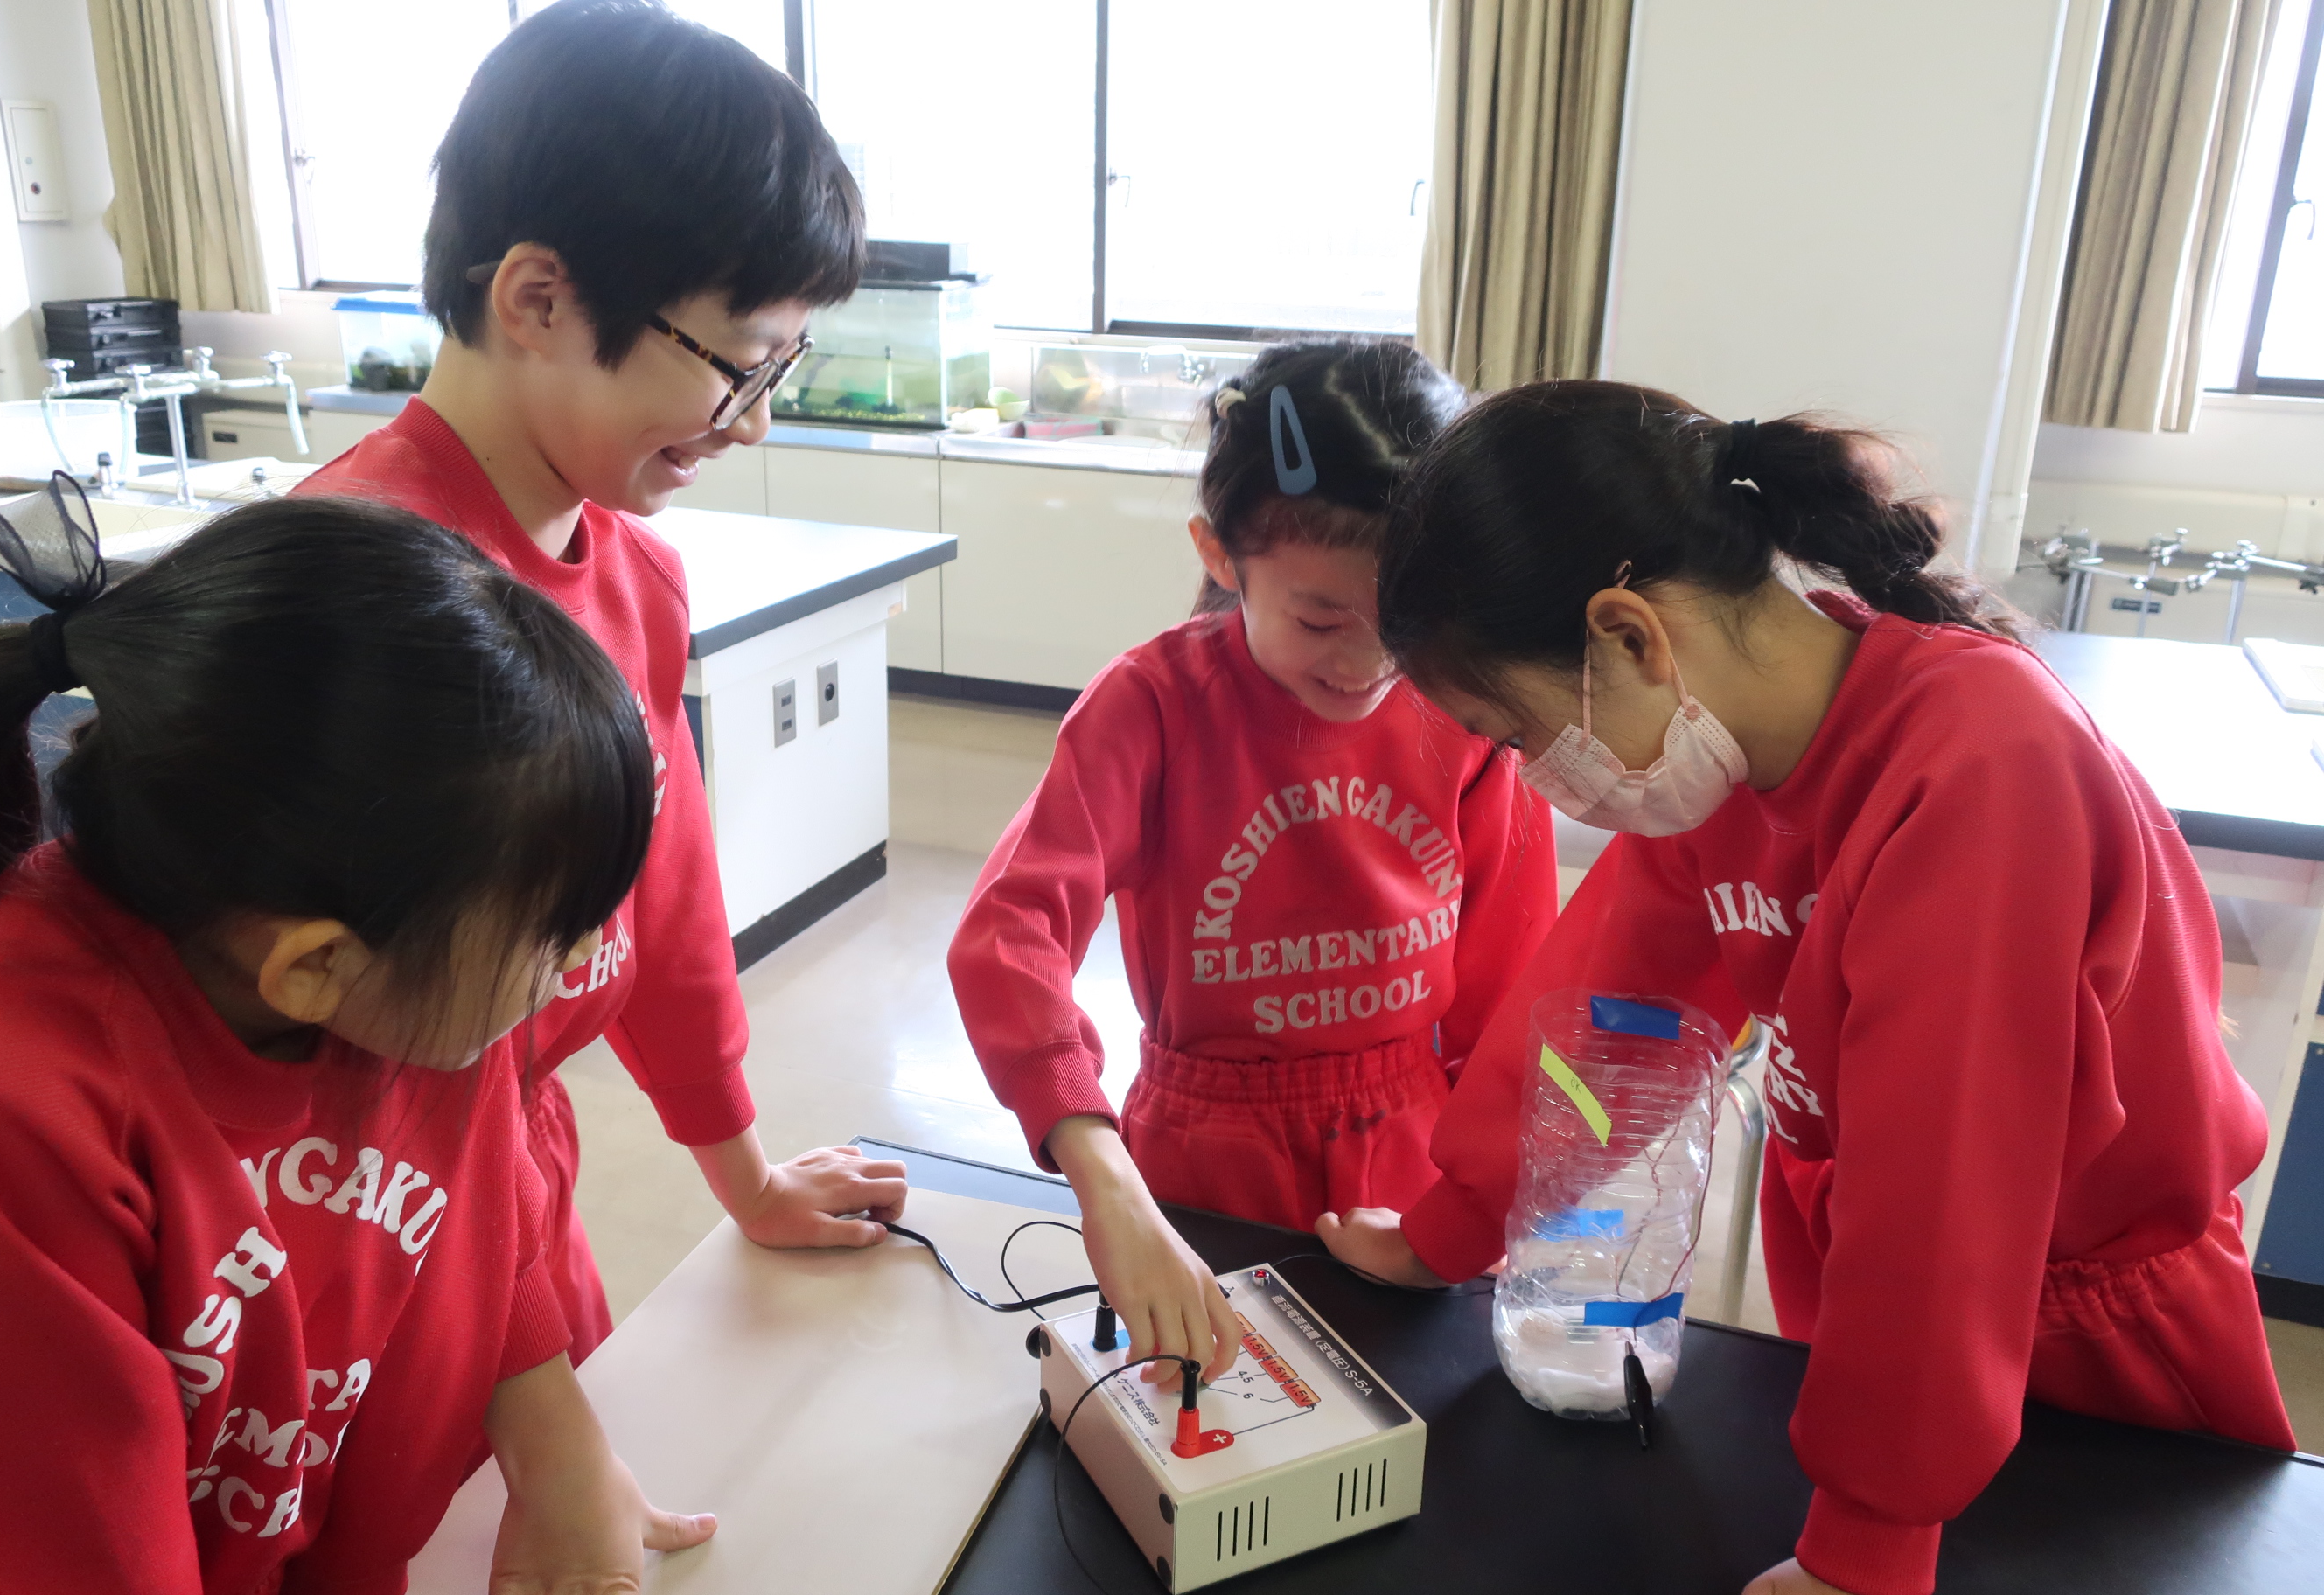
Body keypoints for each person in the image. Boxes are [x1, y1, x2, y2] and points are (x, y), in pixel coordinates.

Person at [1319, 380, 2297, 1595]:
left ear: (1629, 637)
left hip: (2083, 1354)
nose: (1530, 776)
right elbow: (1594, 1023)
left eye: (1517, 734)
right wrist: (1452, 1230)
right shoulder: (1724, 760)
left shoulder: (1983, 767)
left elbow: (1945, 1190)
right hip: (1894, 1337)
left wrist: (1873, 1532)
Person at [0, 482, 715, 1591]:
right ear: (311, 968)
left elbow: (482, 1228)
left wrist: (561, 1453)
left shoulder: (405, 971)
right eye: (551, 933)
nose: (584, 956)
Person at [296, 0, 904, 1362]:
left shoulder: (636, 580)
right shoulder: (357, 588)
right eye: (739, 365)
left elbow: (666, 904)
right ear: (540, 300)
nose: (755, 421)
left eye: (783, 368)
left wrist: (745, 1173)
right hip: (347, 1239)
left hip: (517, 1189)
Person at [947, 339, 1559, 1384]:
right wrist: (1101, 1174)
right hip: (1204, 1159)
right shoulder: (1151, 707)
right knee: (1207, 1410)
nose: (1365, 663)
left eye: (1401, 623)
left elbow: (1516, 991)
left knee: (1415, 1425)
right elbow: (1010, 937)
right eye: (1320, 617)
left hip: (1413, 1147)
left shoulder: (1461, 705)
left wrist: (1485, 1195)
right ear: (1221, 556)